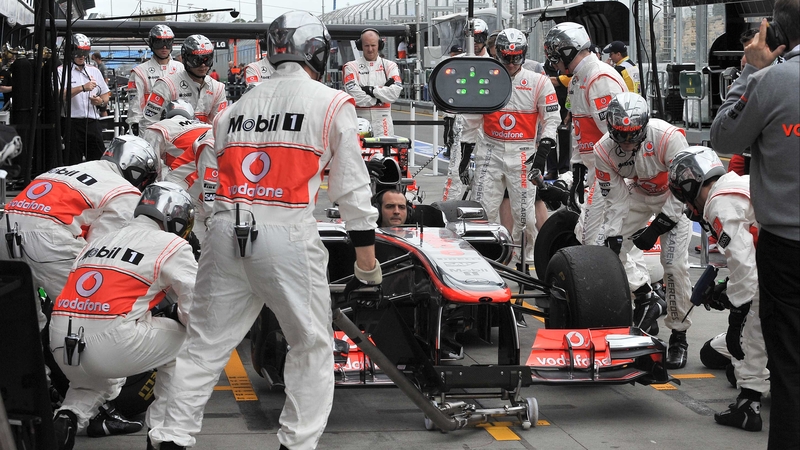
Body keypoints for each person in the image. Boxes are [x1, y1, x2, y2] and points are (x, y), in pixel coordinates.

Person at [146, 12, 381, 450]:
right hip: (286, 230)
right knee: (310, 346)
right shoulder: (330, 102)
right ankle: (295, 444)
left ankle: (169, 439)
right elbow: (352, 190)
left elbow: (212, 180)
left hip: (224, 230)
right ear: (318, 52)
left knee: (203, 346)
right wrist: (367, 264)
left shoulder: (234, 109)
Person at [49, 181, 198, 450]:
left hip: (61, 341)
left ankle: (67, 418)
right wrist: (176, 313)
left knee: (94, 380)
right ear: (178, 217)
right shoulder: (171, 244)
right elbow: (197, 308)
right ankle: (167, 437)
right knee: (188, 344)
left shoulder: (100, 241)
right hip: (109, 343)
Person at [711, 1, 800, 445]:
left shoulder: (772, 80)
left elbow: (724, 137)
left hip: (787, 246)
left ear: (775, 36)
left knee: (788, 364)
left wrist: (750, 71)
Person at [1, 135, 159, 328]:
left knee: (20, 321)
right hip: (49, 240)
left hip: (5, 228)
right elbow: (101, 249)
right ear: (138, 171)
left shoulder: (62, 169)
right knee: (84, 315)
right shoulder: (125, 190)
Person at [668, 146, 769, 432]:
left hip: (779, 269)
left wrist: (737, 310)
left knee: (750, 334)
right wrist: (726, 290)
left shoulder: (718, 202)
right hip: (782, 262)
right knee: (724, 353)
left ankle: (749, 405)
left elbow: (744, 265)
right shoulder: (739, 184)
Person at [591, 92, 692, 368]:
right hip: (637, 193)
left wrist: (659, 226)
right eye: (620, 135)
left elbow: (686, 185)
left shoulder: (668, 136)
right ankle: (646, 296)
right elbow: (615, 198)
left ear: (644, 126)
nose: (626, 142)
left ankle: (679, 335)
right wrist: (613, 234)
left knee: (673, 265)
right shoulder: (602, 150)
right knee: (607, 251)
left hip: (674, 196)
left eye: (632, 135)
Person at [470, 28, 560, 269]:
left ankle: (525, 261)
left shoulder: (538, 81)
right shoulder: (485, 78)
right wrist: (465, 147)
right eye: (506, 57)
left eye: (516, 57)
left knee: (525, 216)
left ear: (523, 55)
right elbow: (471, 117)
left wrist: (544, 149)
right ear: (497, 54)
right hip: (490, 149)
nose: (511, 63)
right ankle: (486, 259)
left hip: (524, 151)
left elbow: (553, 119)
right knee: (483, 210)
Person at [543, 22, 627, 246]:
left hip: (611, 174)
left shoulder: (600, 78)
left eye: (555, 57)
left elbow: (618, 136)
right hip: (595, 173)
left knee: (595, 240)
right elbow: (580, 135)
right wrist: (576, 177)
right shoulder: (577, 80)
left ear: (567, 52)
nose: (554, 64)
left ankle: (633, 281)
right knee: (588, 237)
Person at [144, 99, 214, 241]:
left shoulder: (158, 127)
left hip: (183, 184)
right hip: (195, 182)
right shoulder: (210, 127)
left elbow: (151, 170)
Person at [442, 18, 490, 201]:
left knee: (483, 182)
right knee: (454, 178)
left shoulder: (493, 64)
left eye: (479, 39)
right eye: (472, 38)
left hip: (485, 132)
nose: (475, 43)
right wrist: (448, 123)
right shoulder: (457, 63)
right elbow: (447, 94)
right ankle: (447, 216)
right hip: (461, 131)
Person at [140, 34, 227, 132]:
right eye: (196, 60)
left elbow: (220, 125)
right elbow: (148, 123)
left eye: (207, 60)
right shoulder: (166, 85)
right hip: (172, 144)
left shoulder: (218, 88)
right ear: (186, 59)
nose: (203, 65)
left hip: (203, 143)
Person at [59, 33, 111, 164]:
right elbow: (60, 95)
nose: (82, 56)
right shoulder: (61, 71)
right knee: (72, 161)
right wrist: (82, 88)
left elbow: (106, 94)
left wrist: (101, 101)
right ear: (70, 51)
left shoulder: (94, 70)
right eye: (78, 52)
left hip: (92, 122)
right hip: (71, 122)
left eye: (85, 52)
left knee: (99, 161)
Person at [343, 28, 403, 137]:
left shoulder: (390, 66)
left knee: (385, 154)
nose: (370, 49)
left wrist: (371, 90)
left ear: (379, 45)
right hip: (359, 122)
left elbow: (394, 93)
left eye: (373, 45)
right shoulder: (350, 67)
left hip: (383, 124)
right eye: (366, 46)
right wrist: (380, 98)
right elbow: (355, 96)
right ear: (360, 46)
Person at [126, 25, 182, 137]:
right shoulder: (139, 71)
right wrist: (135, 124)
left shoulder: (181, 68)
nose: (164, 47)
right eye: (159, 43)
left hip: (178, 126)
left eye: (168, 43)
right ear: (151, 43)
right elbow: (135, 104)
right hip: (150, 127)